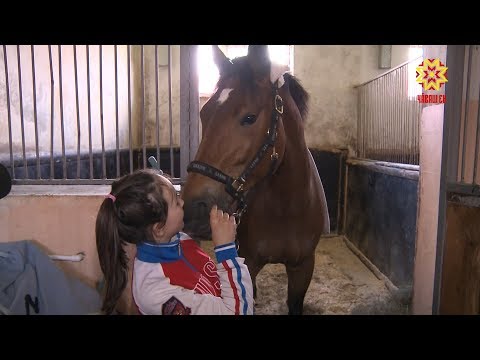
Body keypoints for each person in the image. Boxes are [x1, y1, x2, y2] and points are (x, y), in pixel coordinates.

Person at [95, 168, 254, 315]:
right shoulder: (156, 293)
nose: (182, 203)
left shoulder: (177, 240)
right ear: (158, 228)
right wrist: (226, 251)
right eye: (176, 202)